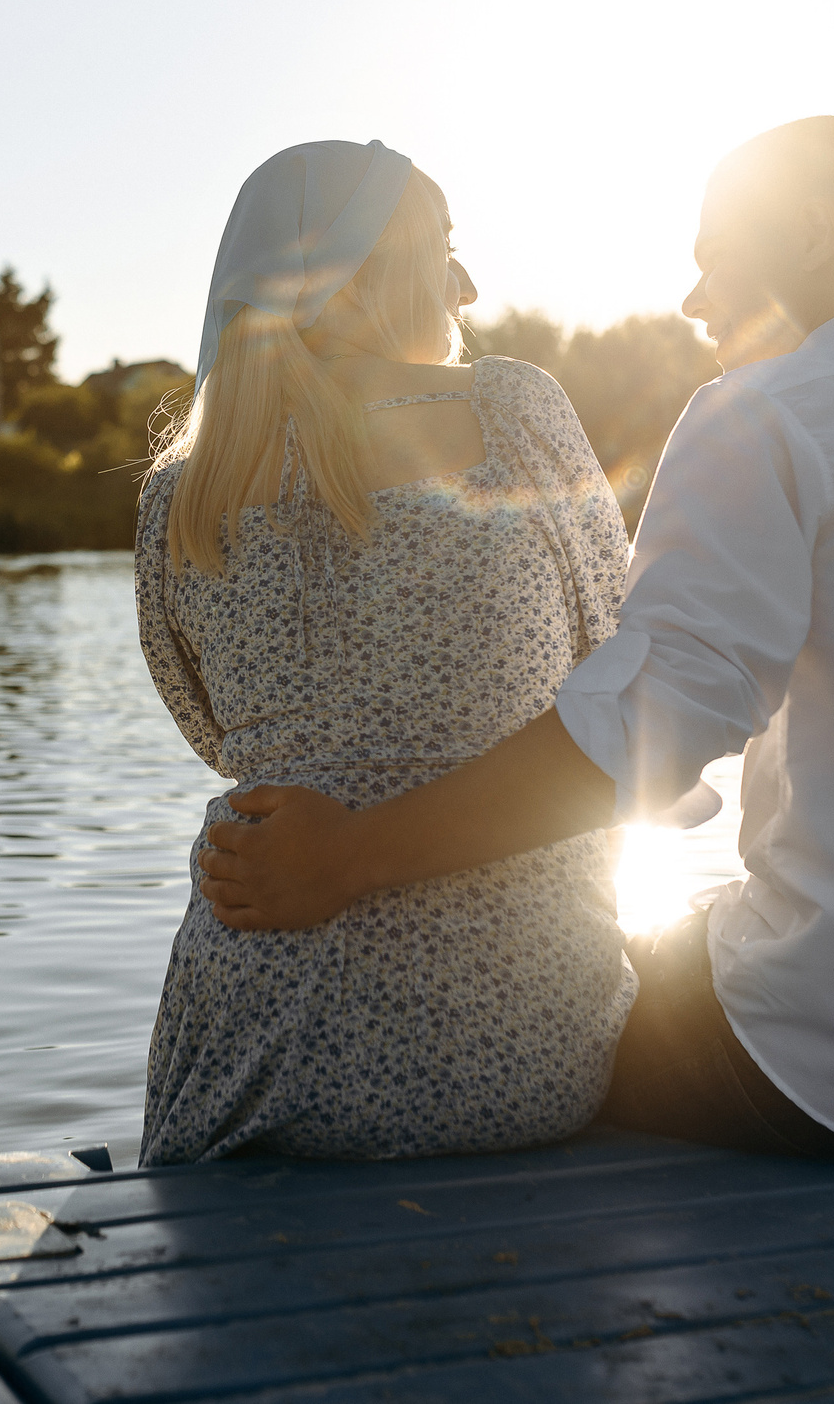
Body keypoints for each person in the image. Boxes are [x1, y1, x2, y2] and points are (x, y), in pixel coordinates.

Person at [201, 117, 834, 1166]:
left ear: (814, 235)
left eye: (713, 259)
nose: (692, 301)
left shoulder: (766, 412)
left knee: (560, 1018)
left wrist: (350, 855)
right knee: (677, 929)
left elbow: (658, 713)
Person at [133, 138, 636, 1167]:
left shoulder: (177, 496)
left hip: (245, 1049)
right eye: (440, 249)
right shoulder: (513, 413)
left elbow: (216, 732)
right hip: (510, 1052)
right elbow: (616, 669)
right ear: (358, 275)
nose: (467, 283)